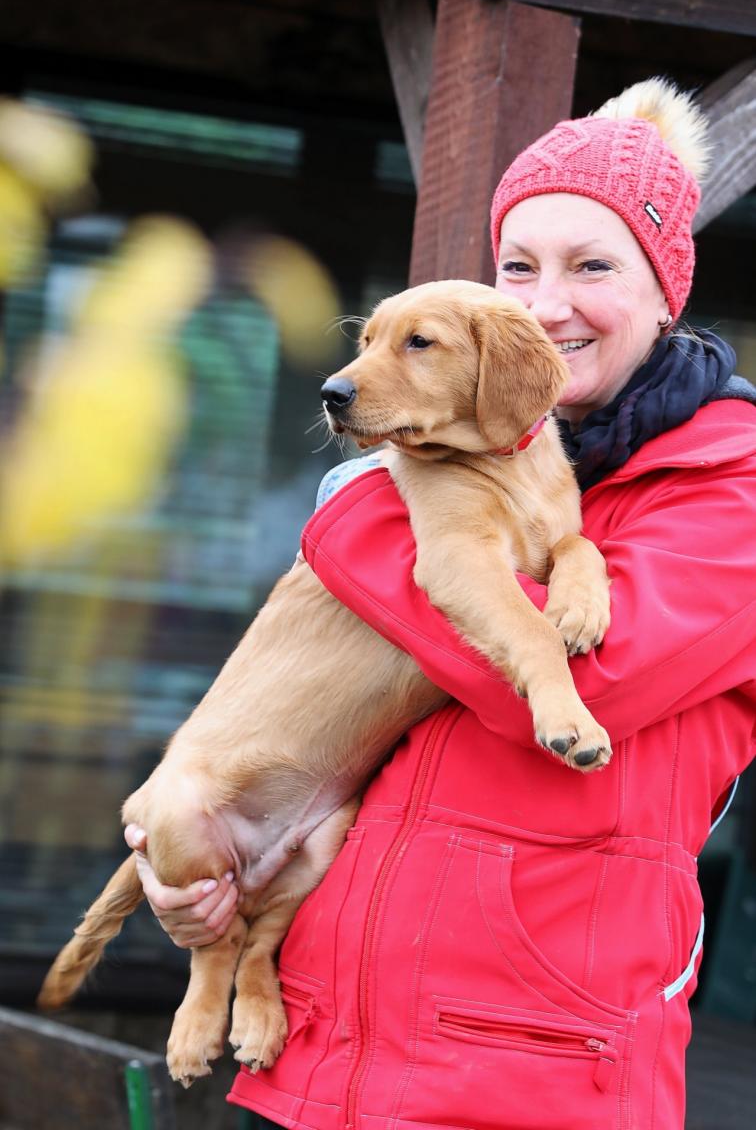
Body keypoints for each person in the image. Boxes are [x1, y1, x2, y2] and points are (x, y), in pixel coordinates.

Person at [126, 78, 756, 1129]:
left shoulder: (729, 485)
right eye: (518, 267)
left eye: (593, 267)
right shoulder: (455, 451)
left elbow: (581, 683)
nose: (544, 305)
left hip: (528, 1076)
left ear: (665, 292)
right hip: (317, 1053)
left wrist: (354, 516)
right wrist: (212, 856)